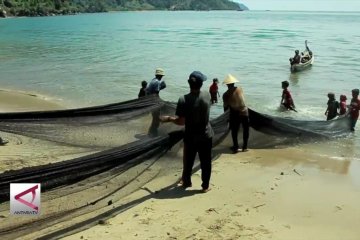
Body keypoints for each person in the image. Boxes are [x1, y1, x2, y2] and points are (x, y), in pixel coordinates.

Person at [160, 71, 213, 193]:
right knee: (206, 161)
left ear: (189, 83)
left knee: (188, 161)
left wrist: (169, 119)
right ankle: (205, 186)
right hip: (206, 135)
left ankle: (187, 182)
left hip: (191, 137)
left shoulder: (183, 99)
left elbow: (181, 122)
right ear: (201, 84)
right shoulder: (207, 95)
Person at [222, 74, 249, 153]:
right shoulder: (240, 89)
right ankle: (245, 147)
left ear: (227, 84)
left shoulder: (226, 94)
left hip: (235, 113)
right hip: (245, 111)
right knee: (246, 130)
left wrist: (226, 117)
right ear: (234, 83)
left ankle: (236, 147)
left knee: (234, 131)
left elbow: (226, 107)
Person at [146, 68, 166, 137]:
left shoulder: (153, 80)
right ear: (160, 76)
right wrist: (162, 87)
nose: (162, 77)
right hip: (154, 102)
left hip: (150, 102)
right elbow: (156, 93)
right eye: (162, 76)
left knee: (155, 118)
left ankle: (151, 133)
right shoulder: (157, 82)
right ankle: (153, 134)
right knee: (156, 119)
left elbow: (149, 91)